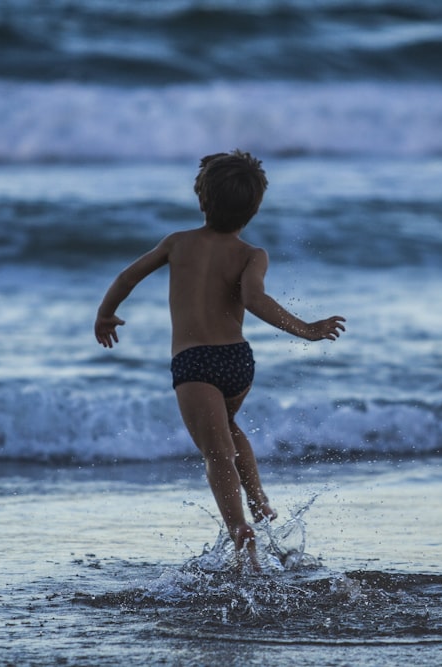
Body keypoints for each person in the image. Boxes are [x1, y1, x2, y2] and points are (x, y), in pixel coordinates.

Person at [94, 150, 346, 568]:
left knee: (215, 453)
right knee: (227, 430)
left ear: (201, 198)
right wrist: (306, 329)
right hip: (237, 363)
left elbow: (127, 277)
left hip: (194, 366)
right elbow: (254, 299)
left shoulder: (177, 242)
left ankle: (239, 529)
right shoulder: (252, 254)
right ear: (254, 208)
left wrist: (105, 313)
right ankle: (259, 500)